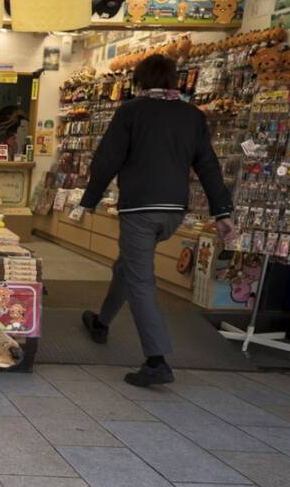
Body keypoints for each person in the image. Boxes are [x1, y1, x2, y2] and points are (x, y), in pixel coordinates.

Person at [76, 54, 236, 387]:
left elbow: (107, 159)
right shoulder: (192, 116)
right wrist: (222, 212)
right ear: (174, 80)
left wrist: (88, 201)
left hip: (140, 209)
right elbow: (208, 165)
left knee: (140, 281)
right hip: (174, 212)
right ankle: (101, 323)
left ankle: (156, 360)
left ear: (139, 80)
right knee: (128, 268)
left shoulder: (132, 111)